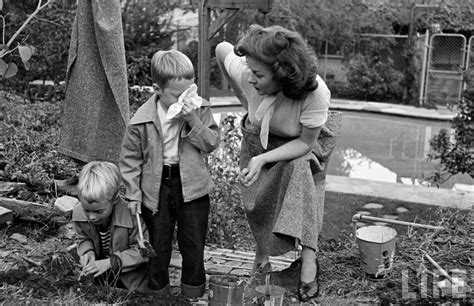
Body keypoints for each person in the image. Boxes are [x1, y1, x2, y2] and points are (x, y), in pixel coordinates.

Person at [216, 24, 341, 302]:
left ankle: (309, 259)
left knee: (300, 173)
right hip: (260, 137)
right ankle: (262, 256)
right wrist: (245, 100)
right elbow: (221, 49)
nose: (250, 77)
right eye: (249, 70)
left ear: (283, 72)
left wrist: (263, 159)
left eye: (258, 74)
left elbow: (306, 144)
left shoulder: (315, 92)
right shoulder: (249, 73)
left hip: (301, 143)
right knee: (259, 198)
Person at [119, 50, 220, 299]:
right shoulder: (140, 121)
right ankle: (158, 295)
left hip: (192, 186)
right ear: (157, 89)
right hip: (156, 188)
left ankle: (192, 295)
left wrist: (193, 120)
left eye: (188, 92)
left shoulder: (199, 109)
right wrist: (133, 195)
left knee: (193, 244)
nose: (184, 99)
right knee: (158, 246)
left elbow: (211, 143)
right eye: (177, 95)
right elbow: (130, 161)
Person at [72, 161, 148, 292]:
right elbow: (83, 238)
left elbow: (145, 252)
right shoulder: (78, 213)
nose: (91, 217)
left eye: (99, 211)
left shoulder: (132, 216)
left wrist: (110, 263)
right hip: (98, 275)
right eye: (87, 210)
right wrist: (88, 251)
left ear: (115, 200)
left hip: (130, 279)